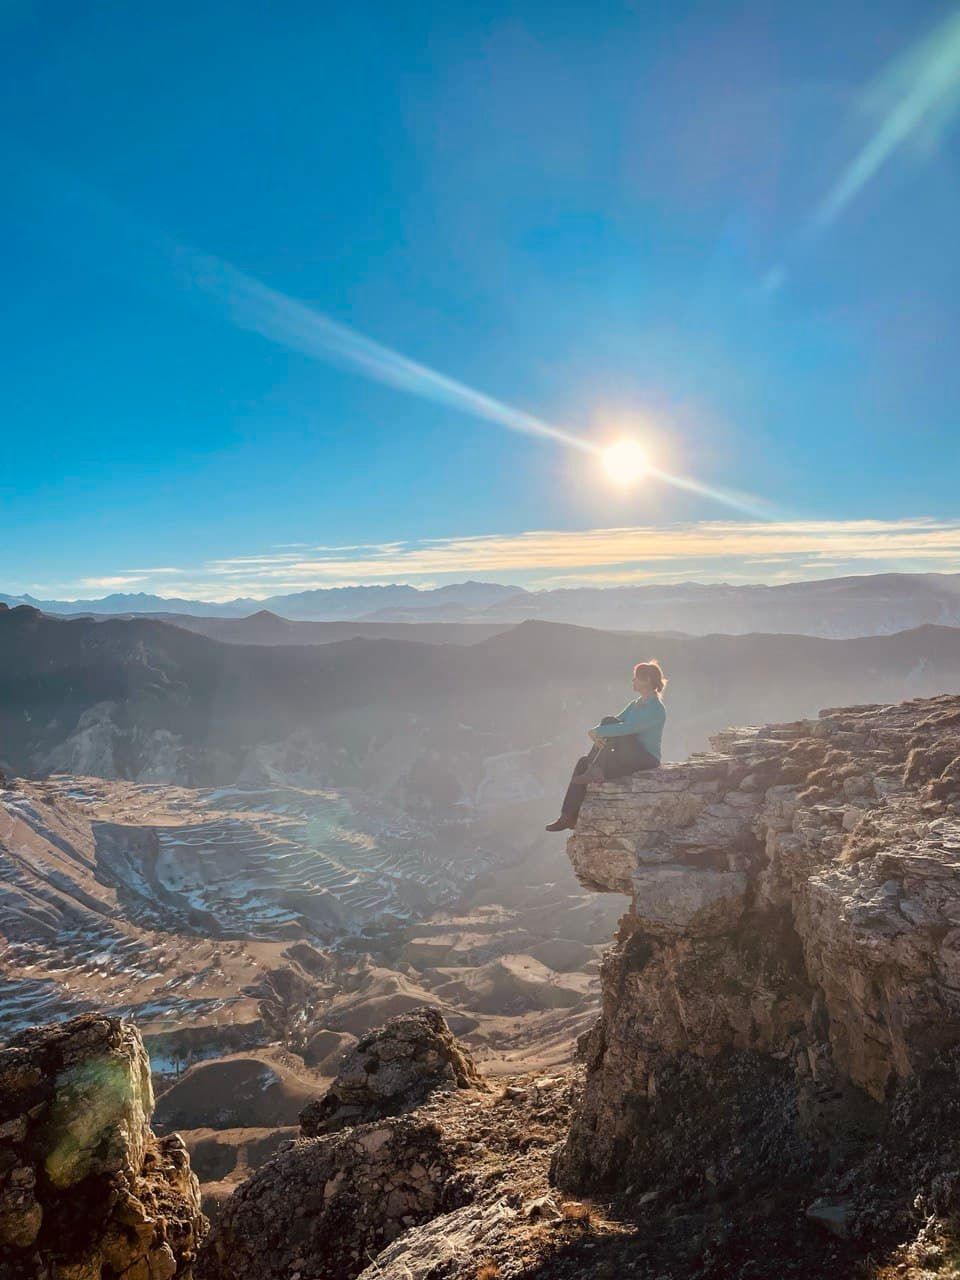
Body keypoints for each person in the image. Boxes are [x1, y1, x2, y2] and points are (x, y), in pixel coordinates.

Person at [545, 659, 667, 831]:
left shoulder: (656, 709)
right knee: (583, 761)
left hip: (646, 759)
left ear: (646, 680)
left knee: (615, 730)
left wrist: (597, 732)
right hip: (627, 756)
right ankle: (568, 817)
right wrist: (598, 730)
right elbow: (612, 723)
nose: (632, 681)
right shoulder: (635, 705)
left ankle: (594, 767)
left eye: (635, 678)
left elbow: (627, 729)